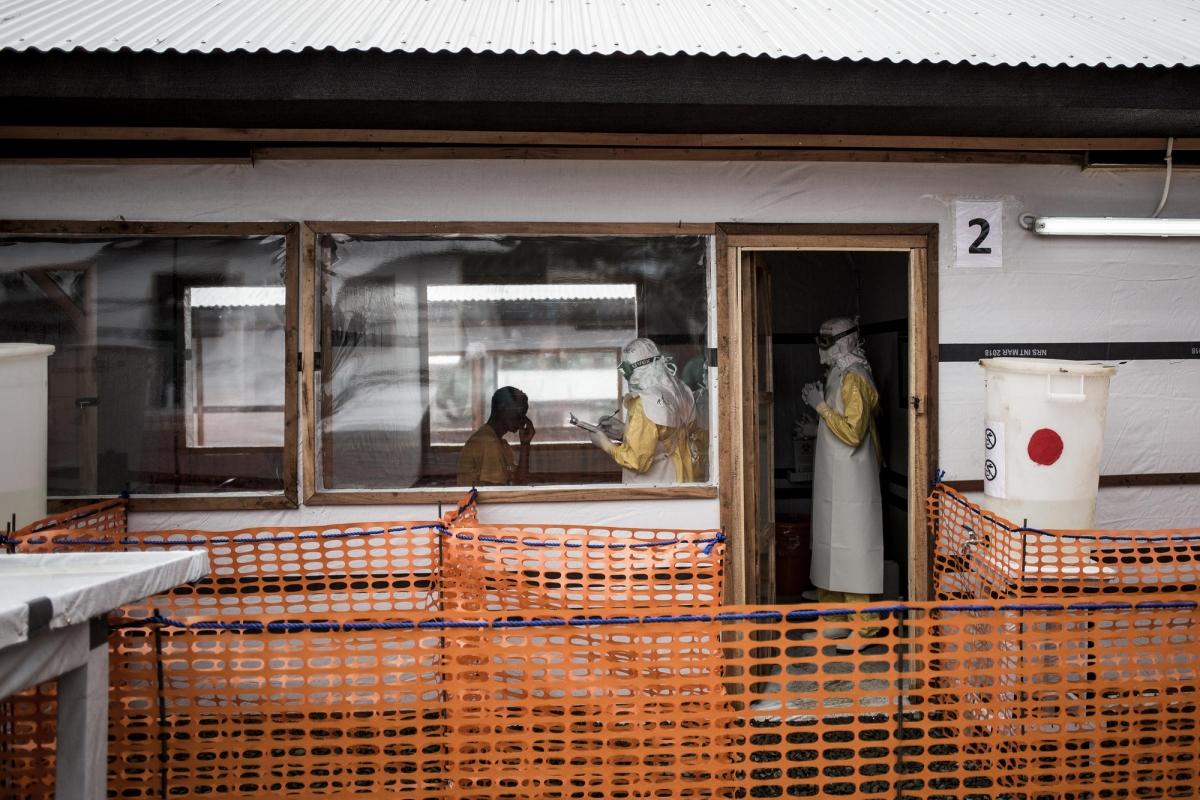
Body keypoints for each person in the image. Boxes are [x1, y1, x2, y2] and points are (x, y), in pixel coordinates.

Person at [801, 317, 884, 639]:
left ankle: (865, 627)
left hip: (853, 477)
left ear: (845, 341)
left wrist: (820, 407)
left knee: (852, 546)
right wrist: (817, 423)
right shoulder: (839, 373)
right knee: (827, 544)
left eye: (828, 339)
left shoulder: (855, 378)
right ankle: (834, 616)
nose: (822, 346)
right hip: (835, 474)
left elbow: (852, 432)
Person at [589, 338, 701, 484]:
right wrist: (625, 432)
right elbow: (662, 438)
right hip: (681, 480)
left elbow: (636, 460)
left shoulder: (644, 402)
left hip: (652, 490)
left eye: (625, 370)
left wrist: (605, 443)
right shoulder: (681, 392)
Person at [457, 386, 535, 486]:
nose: (522, 418)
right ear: (501, 409)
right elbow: (497, 492)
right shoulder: (488, 441)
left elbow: (519, 482)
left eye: (524, 414)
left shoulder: (501, 443)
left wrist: (525, 444)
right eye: (518, 412)